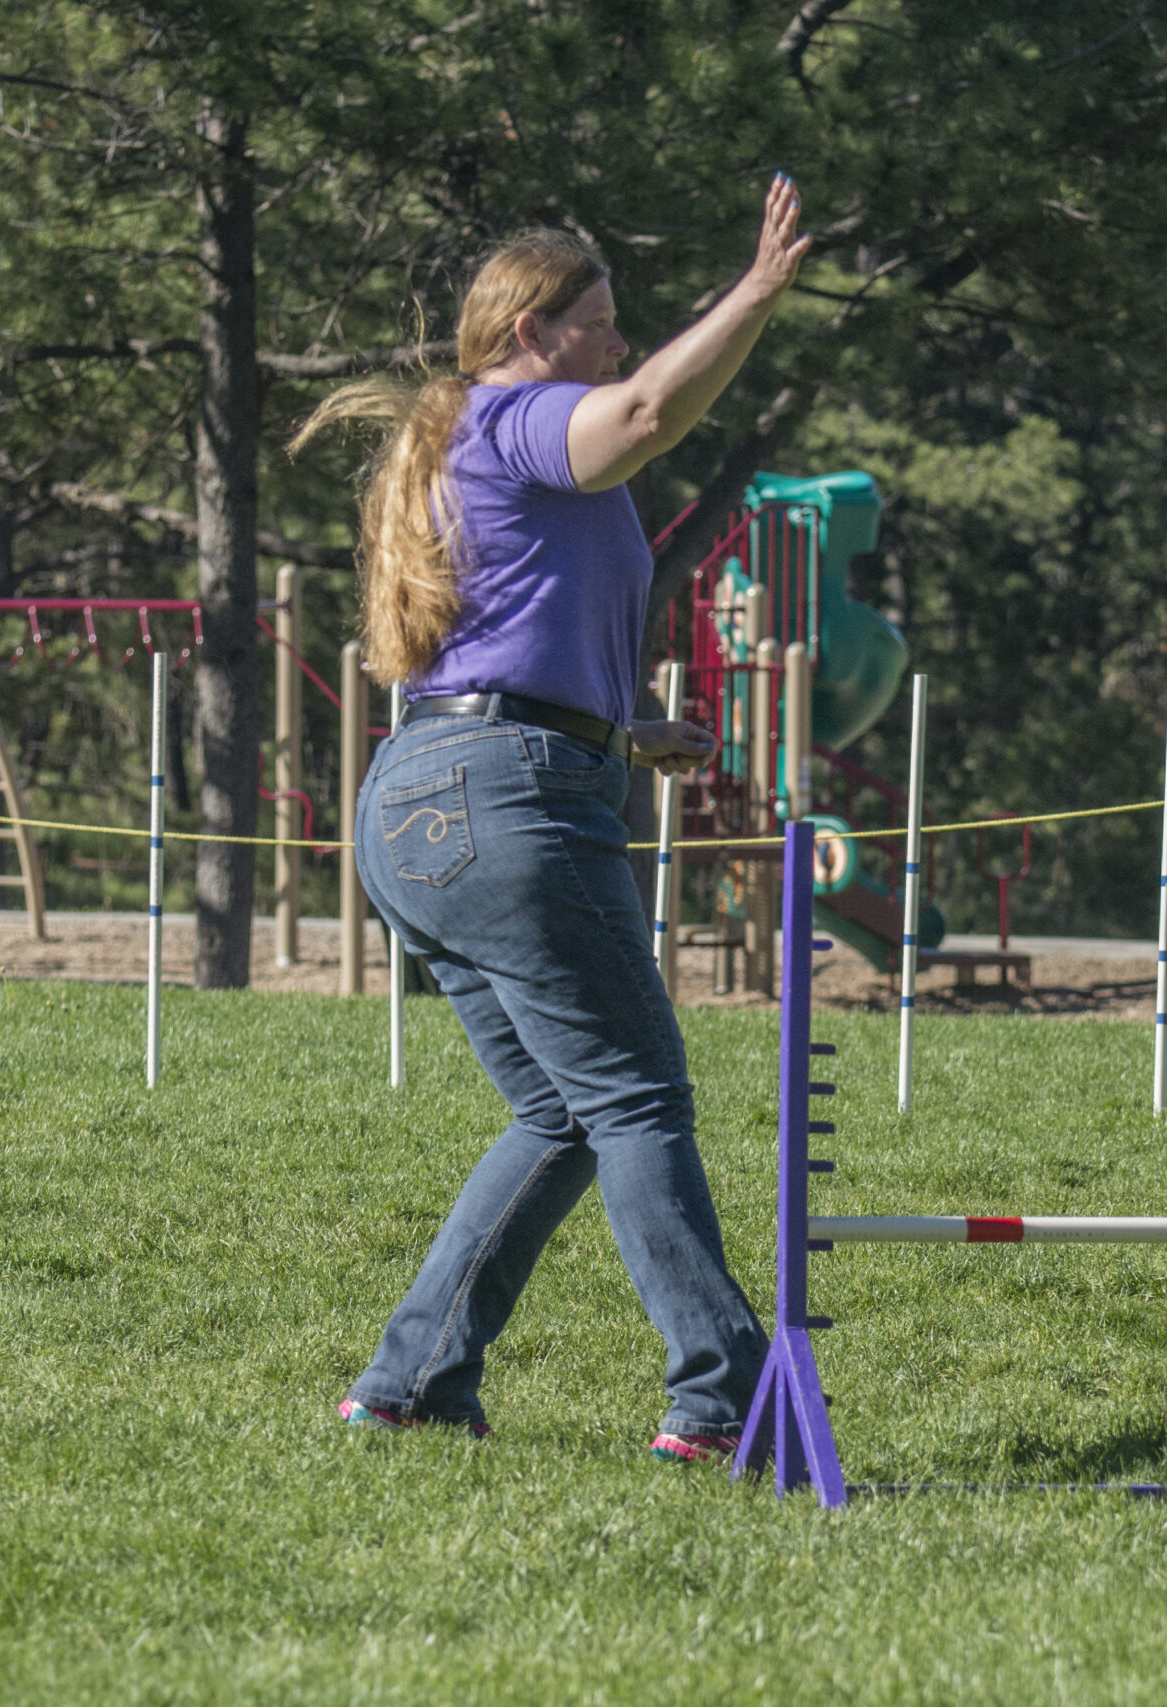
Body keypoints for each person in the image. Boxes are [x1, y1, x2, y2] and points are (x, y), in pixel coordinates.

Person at [293, 175, 813, 1463]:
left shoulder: (470, 445)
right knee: (638, 1101)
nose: (620, 346)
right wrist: (754, 292)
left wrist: (626, 731)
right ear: (532, 330)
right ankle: (726, 1402)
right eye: (601, 320)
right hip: (506, 802)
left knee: (564, 1113)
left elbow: (497, 640)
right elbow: (642, 414)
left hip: (426, 797)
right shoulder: (517, 414)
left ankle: (412, 1381)